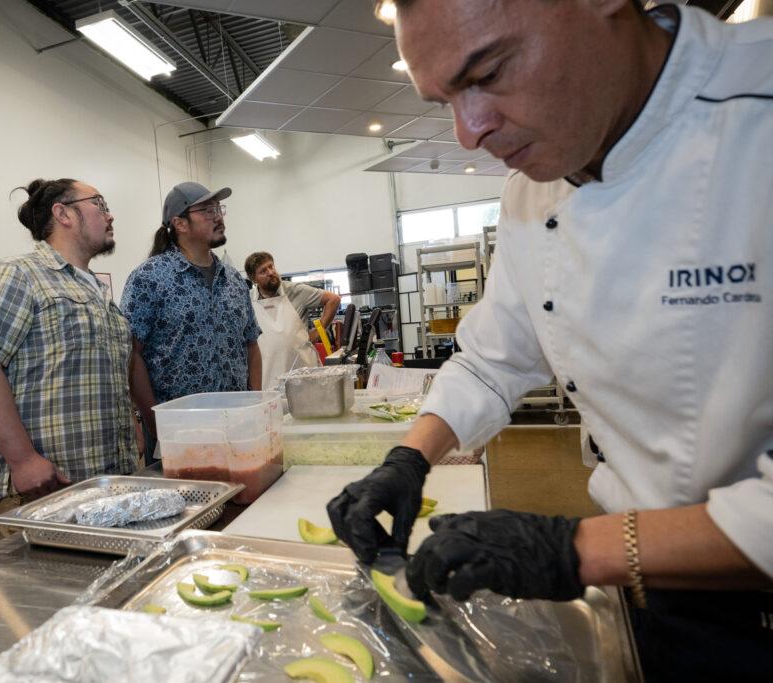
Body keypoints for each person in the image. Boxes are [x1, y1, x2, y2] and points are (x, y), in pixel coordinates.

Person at [329, 1, 772, 679]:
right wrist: (408, 457)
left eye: (489, 70)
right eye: (446, 97)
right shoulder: (532, 194)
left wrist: (572, 549)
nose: (469, 131)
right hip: (643, 598)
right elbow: (492, 357)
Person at [0, 178, 141, 516]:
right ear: (63, 213)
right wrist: (23, 460)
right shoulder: (18, 274)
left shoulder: (95, 291)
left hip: (106, 485)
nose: (110, 215)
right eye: (100, 204)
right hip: (47, 492)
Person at [121, 182, 262, 444]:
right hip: (179, 432)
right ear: (180, 224)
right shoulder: (149, 278)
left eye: (218, 208)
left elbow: (251, 344)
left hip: (237, 427)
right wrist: (156, 423)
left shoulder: (232, 280)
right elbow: (131, 354)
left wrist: (253, 404)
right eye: (207, 210)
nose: (218, 217)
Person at [243, 251, 341, 389]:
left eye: (271, 266)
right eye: (263, 271)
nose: (270, 272)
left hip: (302, 370)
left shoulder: (295, 290)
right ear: (254, 279)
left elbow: (333, 299)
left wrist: (318, 331)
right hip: (268, 375)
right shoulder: (247, 300)